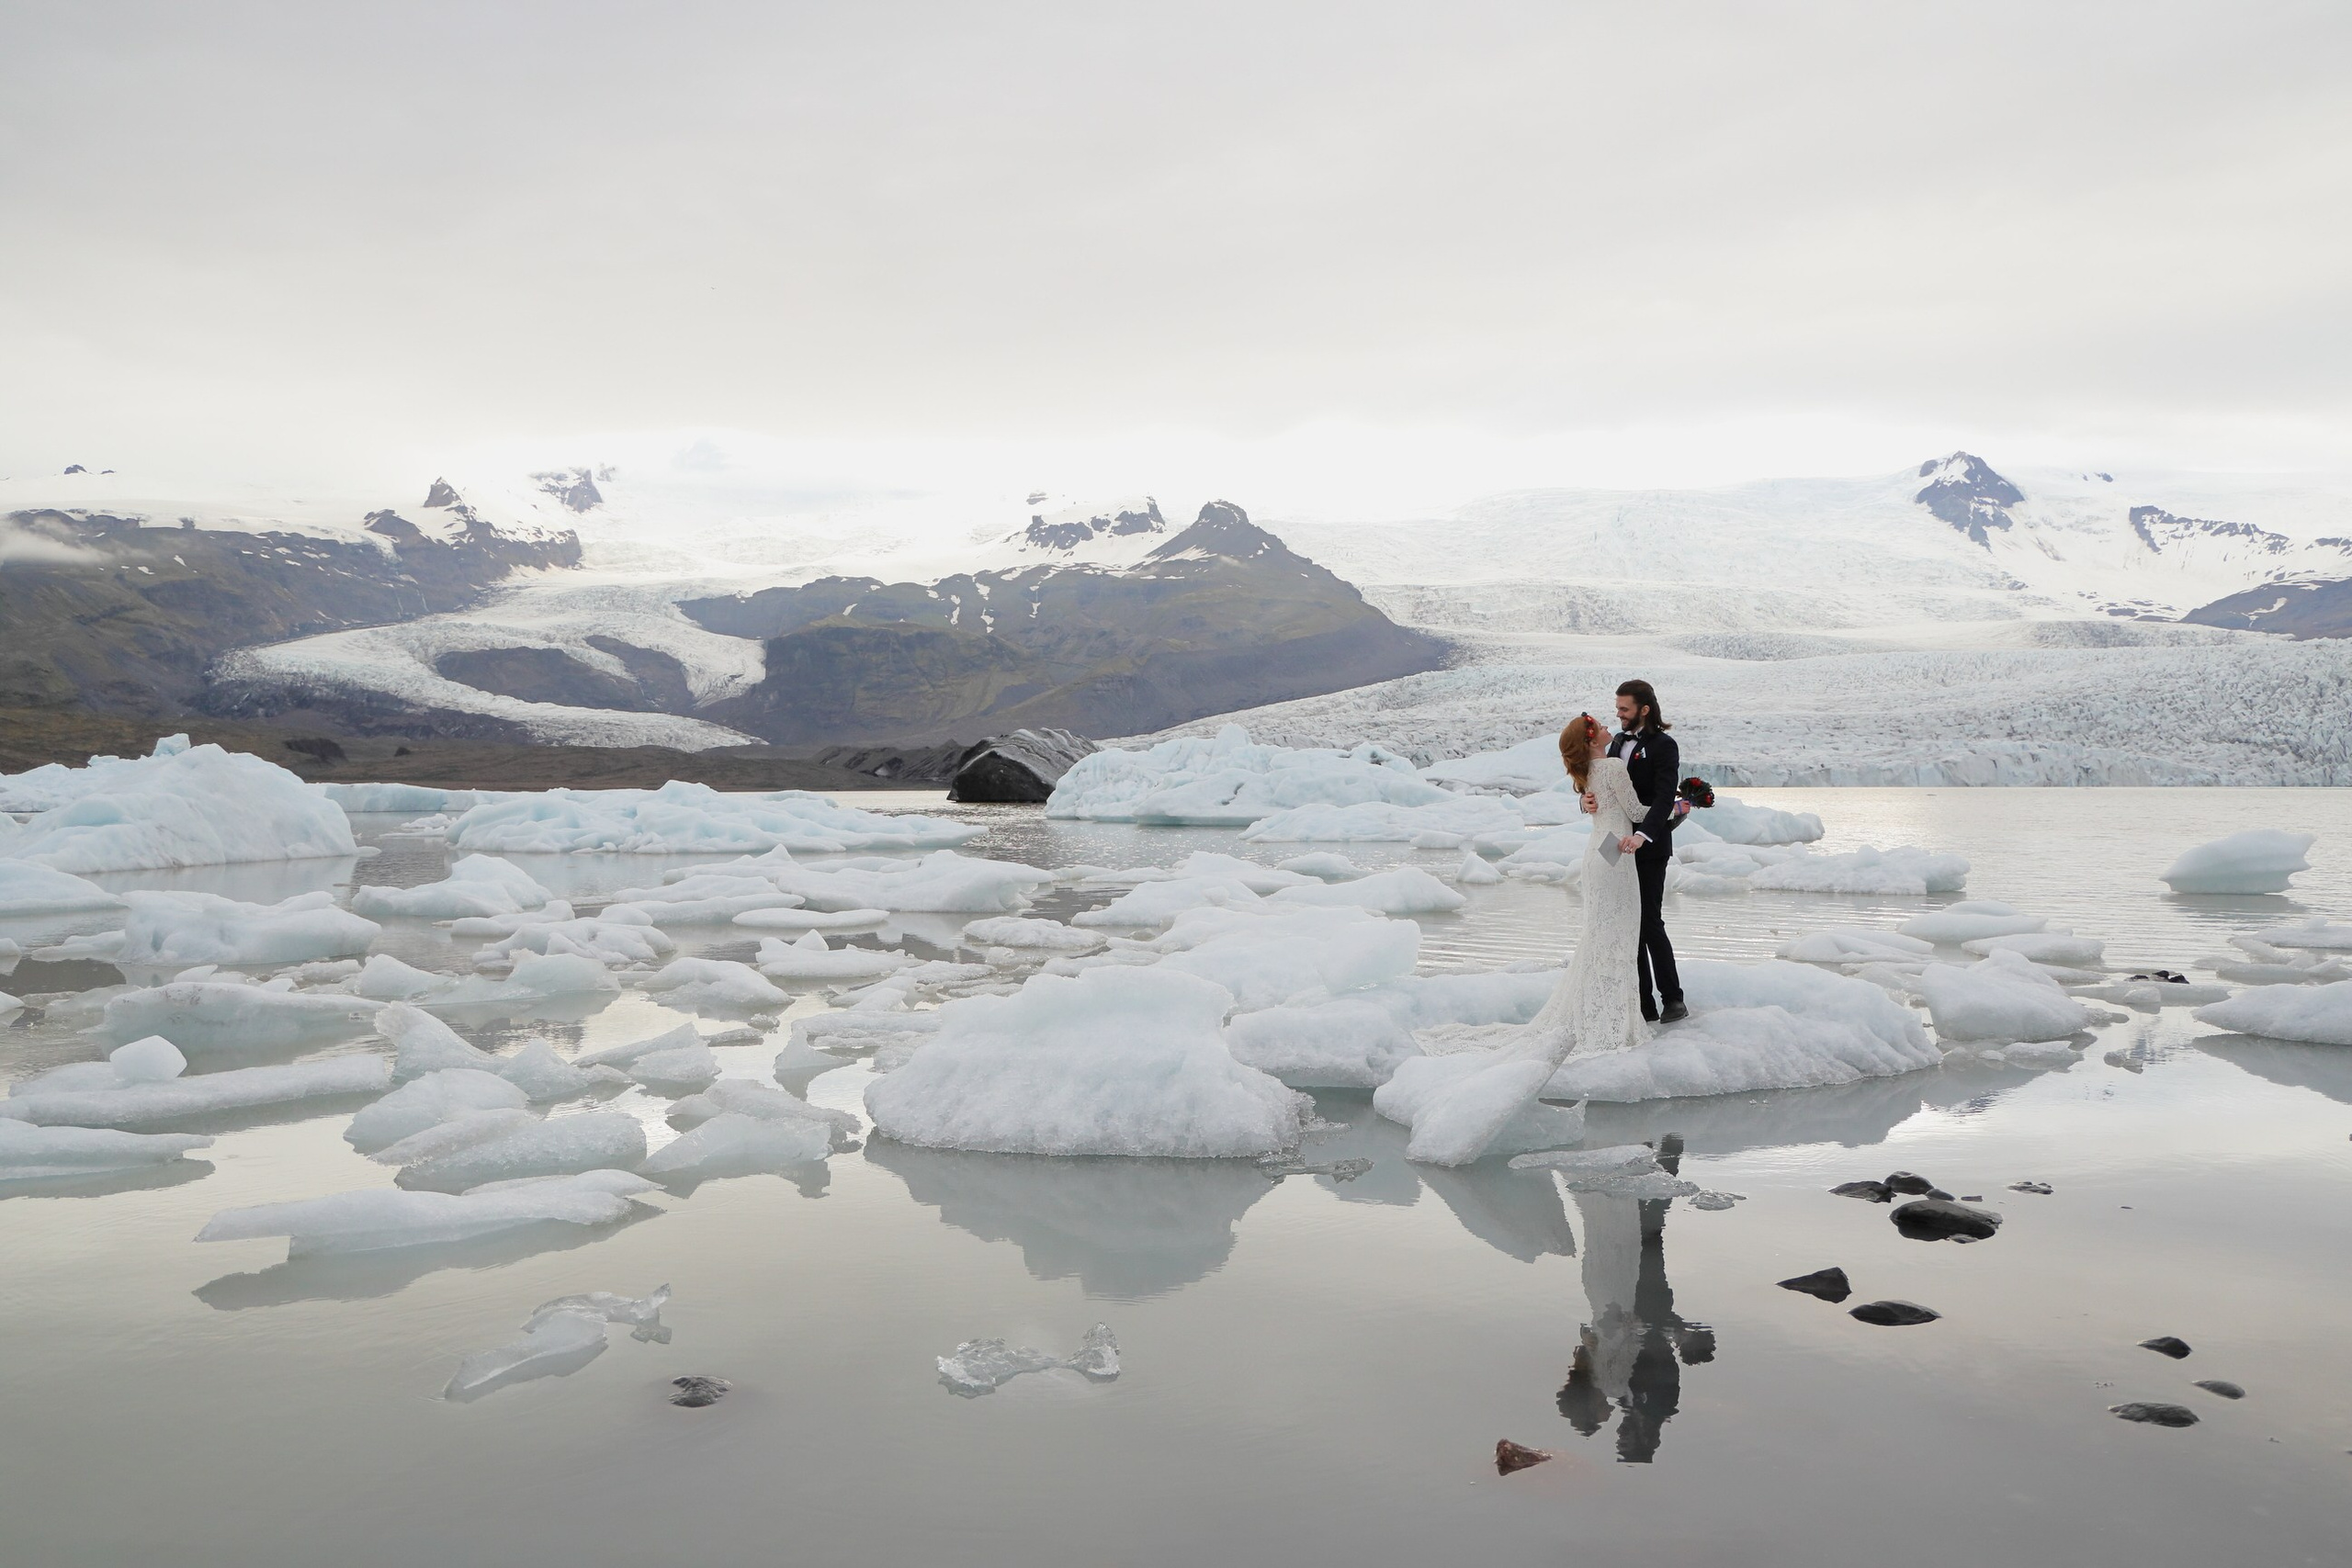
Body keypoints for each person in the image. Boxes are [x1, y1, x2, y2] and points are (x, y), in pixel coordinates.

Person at [1391, 713, 1643, 1165]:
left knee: (1601, 936)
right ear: (1590, 739)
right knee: (1616, 935)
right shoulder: (1612, 767)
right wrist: (1682, 805)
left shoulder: (1589, 773)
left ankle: (1604, 1014)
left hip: (1599, 854)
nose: (1608, 726)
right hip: (1615, 857)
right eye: (1599, 726)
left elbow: (1601, 807)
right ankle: (1612, 1020)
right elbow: (1638, 814)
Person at [1583, 679, 1685, 1023]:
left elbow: (1664, 798)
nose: (1618, 714)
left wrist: (1643, 835)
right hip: (1613, 844)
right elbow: (1603, 789)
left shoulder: (1664, 746)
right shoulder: (1616, 744)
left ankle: (1673, 999)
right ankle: (1642, 1005)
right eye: (1617, 708)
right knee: (1624, 921)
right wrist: (1585, 802)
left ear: (1644, 709)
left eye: (1624, 708)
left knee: (1649, 921)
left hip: (1649, 844)